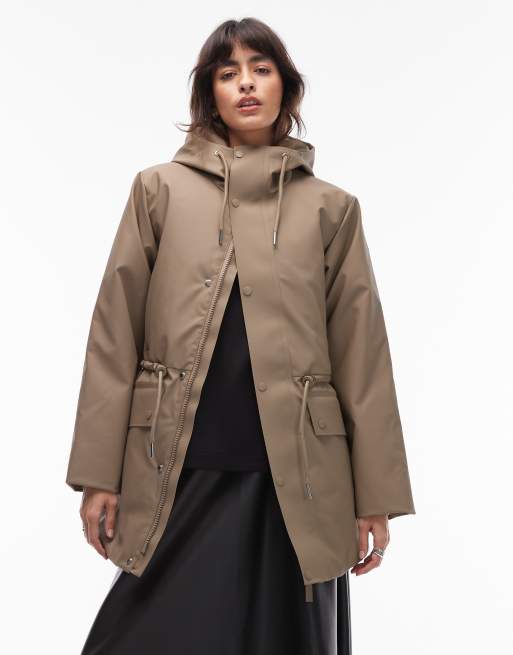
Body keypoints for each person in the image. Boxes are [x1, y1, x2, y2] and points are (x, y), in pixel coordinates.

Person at [65, 17, 416, 655]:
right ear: (210, 93)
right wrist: (98, 476)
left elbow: (362, 356)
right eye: (229, 74)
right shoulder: (158, 191)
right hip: (177, 466)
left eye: (261, 70)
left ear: (287, 87)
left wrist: (376, 499)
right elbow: (114, 335)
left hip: (300, 478)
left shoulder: (331, 208)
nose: (246, 85)